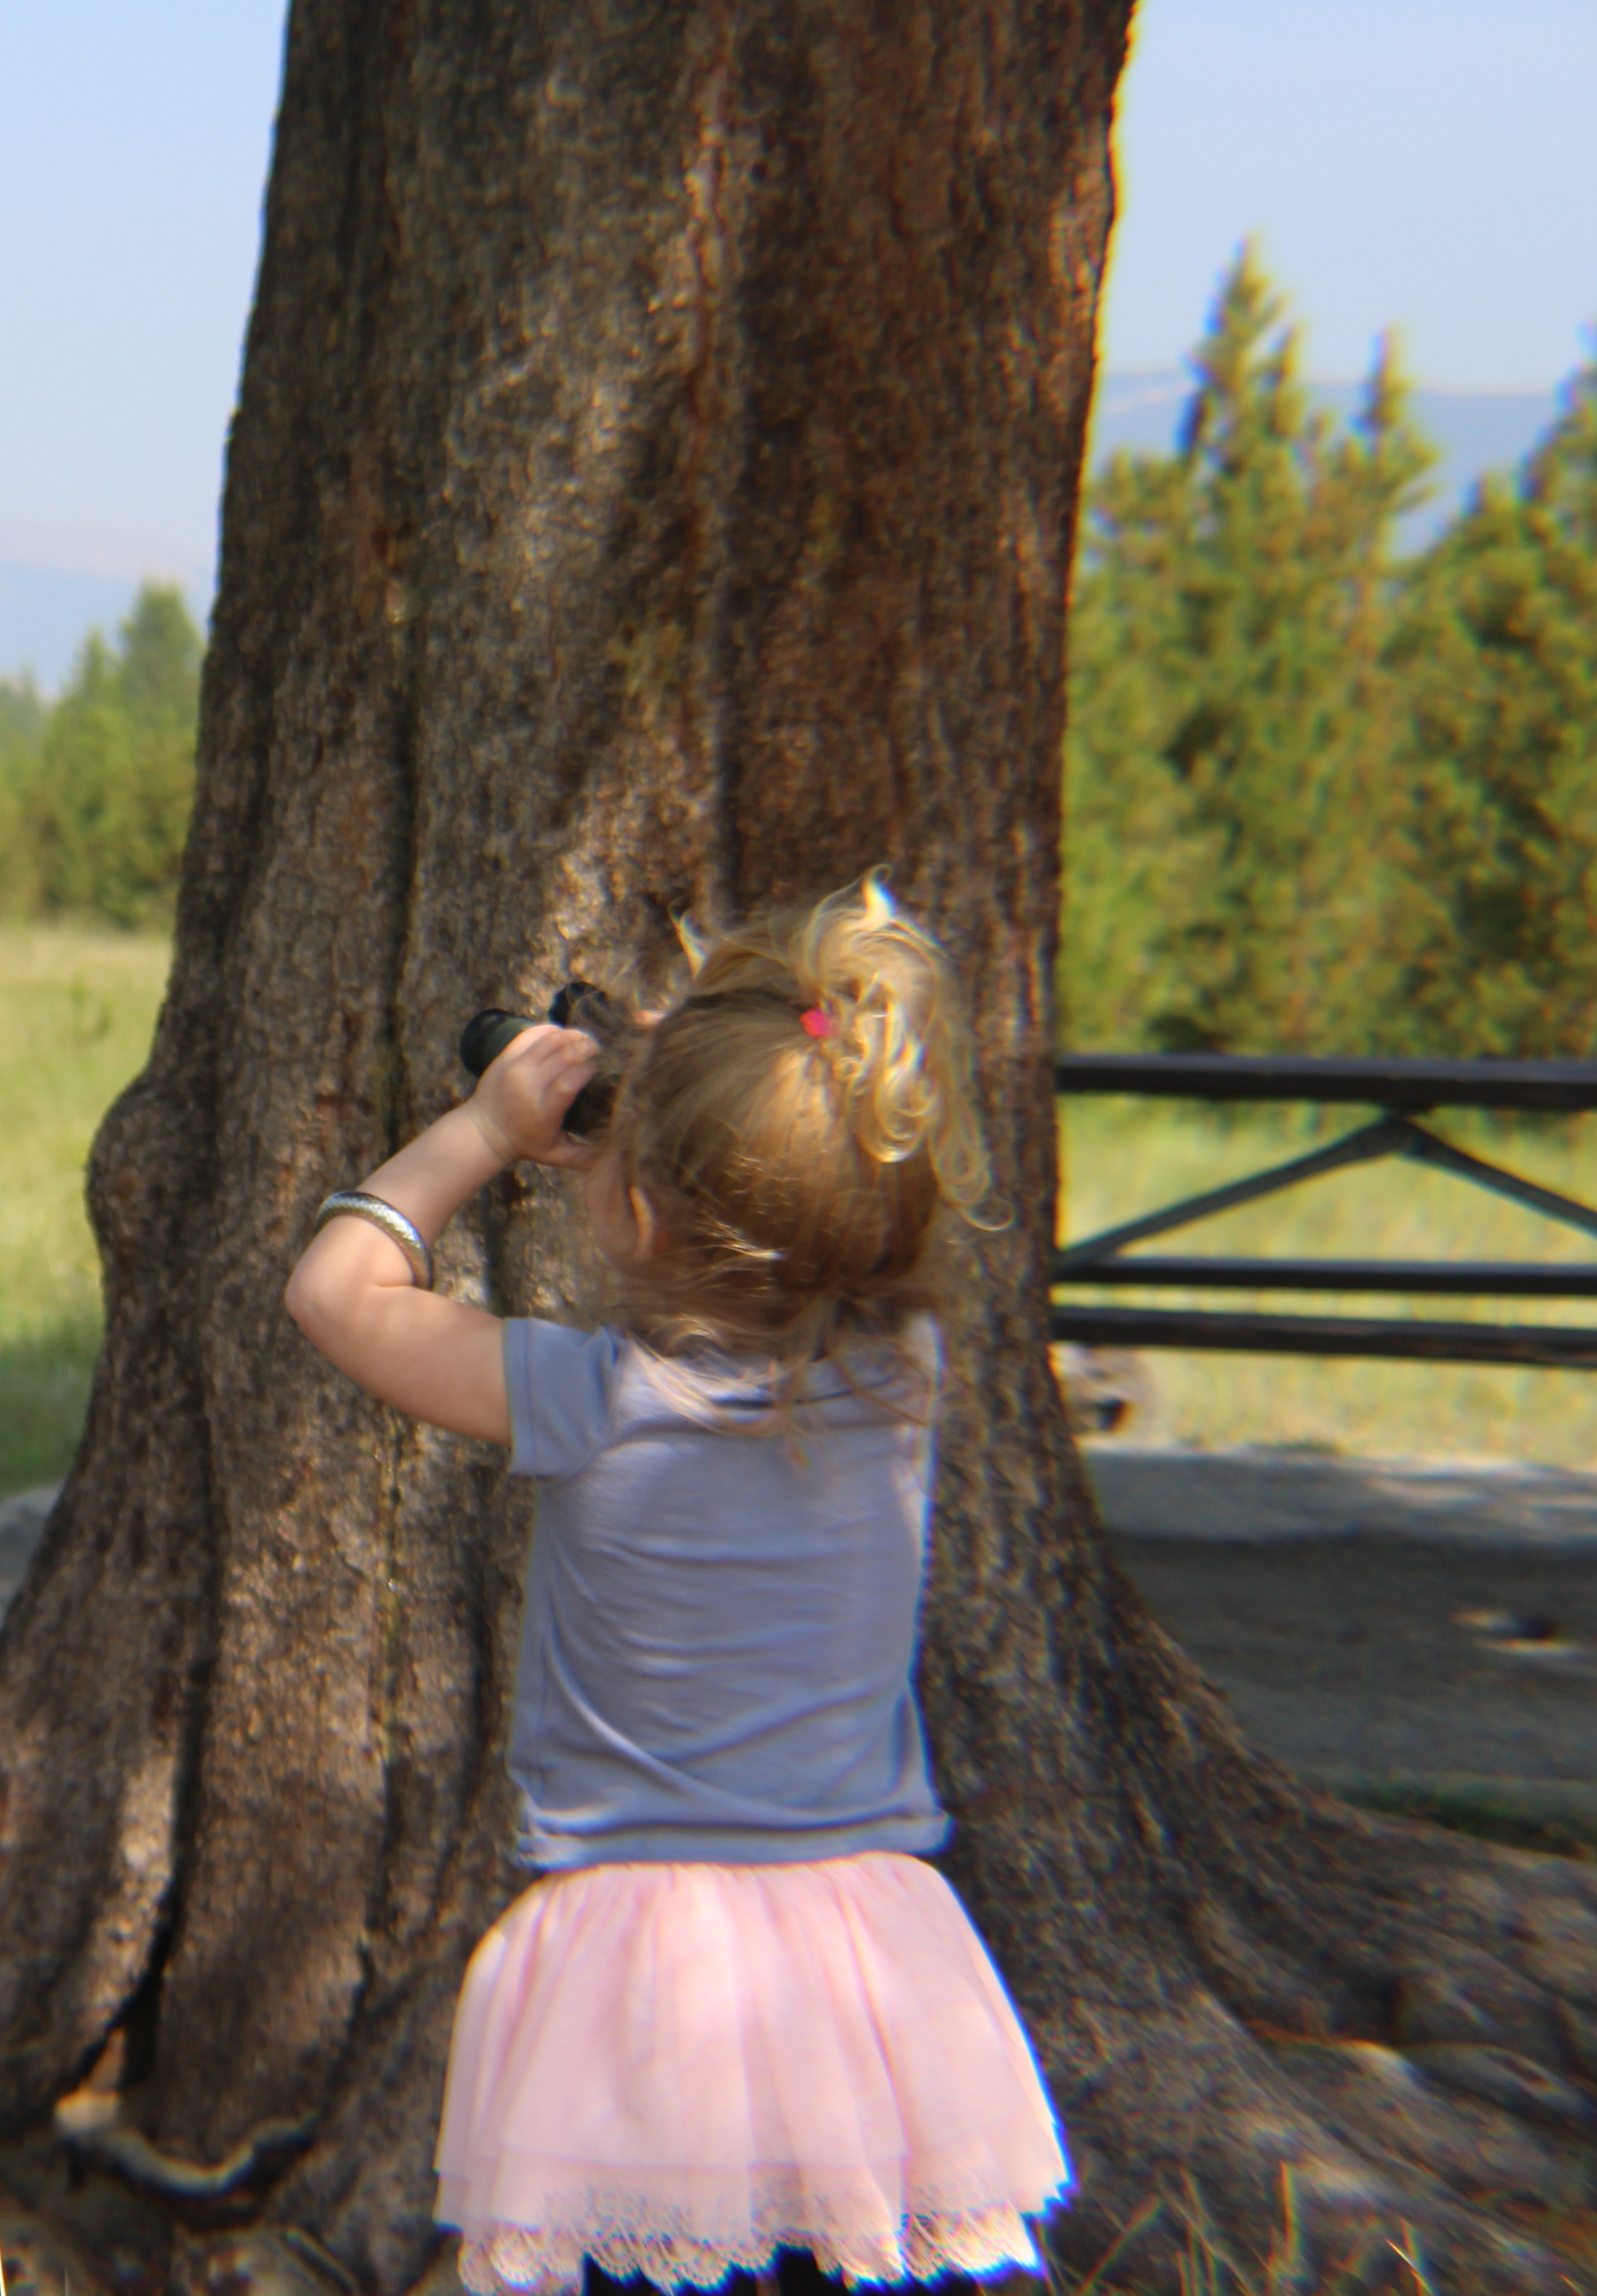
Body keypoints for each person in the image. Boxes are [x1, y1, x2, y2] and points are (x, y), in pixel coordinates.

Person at [284, 876, 1066, 2295]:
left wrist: (486, 1130)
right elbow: (826, 1235)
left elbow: (335, 1294)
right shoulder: (904, 1376)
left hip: (638, 1968)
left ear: (635, 1204)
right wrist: (710, 1125)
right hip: (868, 1960)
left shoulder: (587, 1398)